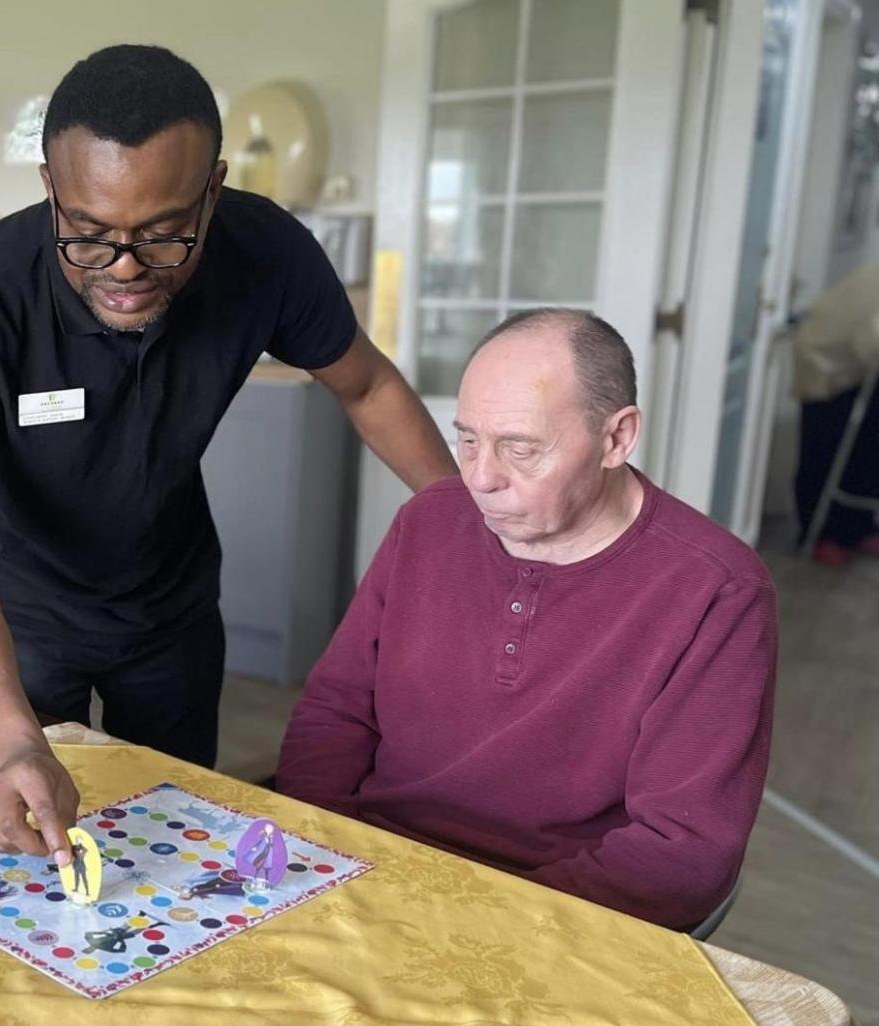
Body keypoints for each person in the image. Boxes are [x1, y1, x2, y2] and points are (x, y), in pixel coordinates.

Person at [0, 45, 456, 864]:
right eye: (88, 235)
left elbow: (366, 386)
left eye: (164, 236)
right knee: (27, 847)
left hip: (172, 609)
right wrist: (16, 743)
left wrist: (466, 528)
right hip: (18, 621)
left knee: (179, 840)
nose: (125, 270)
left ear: (215, 189)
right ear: (50, 190)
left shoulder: (265, 254)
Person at [276, 309, 777, 929]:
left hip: (551, 920)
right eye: (467, 440)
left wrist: (475, 920)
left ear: (616, 439)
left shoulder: (717, 589)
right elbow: (334, 713)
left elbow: (681, 852)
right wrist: (320, 854)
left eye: (520, 448)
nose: (481, 478)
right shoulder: (428, 522)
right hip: (372, 876)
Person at [792, 262, 879, 565]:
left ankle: (858, 528)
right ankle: (820, 535)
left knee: (865, 450)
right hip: (823, 365)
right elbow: (872, 343)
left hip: (854, 371)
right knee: (823, 450)